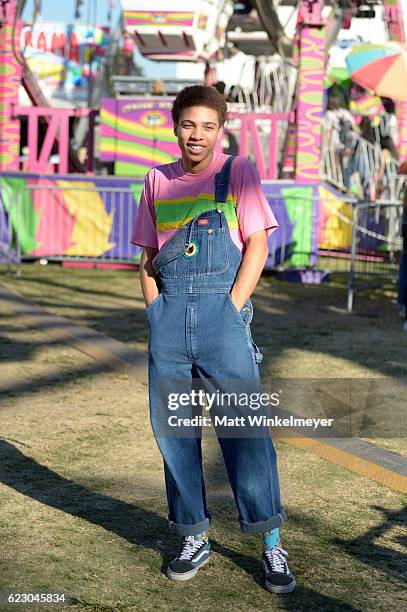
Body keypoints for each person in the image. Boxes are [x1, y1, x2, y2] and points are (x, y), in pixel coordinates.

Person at [130, 85, 296, 594]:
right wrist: (156, 311)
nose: (196, 135)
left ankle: (270, 544)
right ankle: (192, 535)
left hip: (224, 318)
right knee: (175, 433)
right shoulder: (157, 180)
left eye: (207, 126)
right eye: (188, 125)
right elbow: (147, 258)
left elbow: (259, 243)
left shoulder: (236, 171)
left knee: (246, 434)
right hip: (170, 319)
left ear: (220, 130)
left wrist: (232, 307)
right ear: (174, 126)